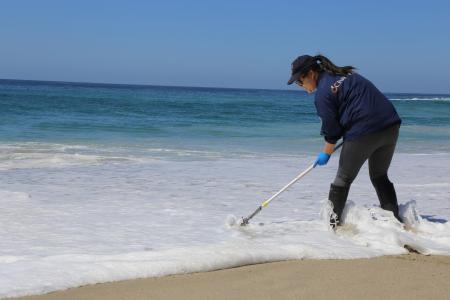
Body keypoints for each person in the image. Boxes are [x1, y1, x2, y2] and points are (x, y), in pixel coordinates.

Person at [287, 54, 402, 227]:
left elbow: (332, 131)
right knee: (379, 176)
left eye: (300, 81)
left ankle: (331, 229)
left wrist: (326, 153)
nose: (301, 86)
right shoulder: (345, 74)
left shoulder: (323, 94)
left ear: (311, 73)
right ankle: (396, 224)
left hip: (364, 131)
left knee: (342, 179)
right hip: (390, 126)